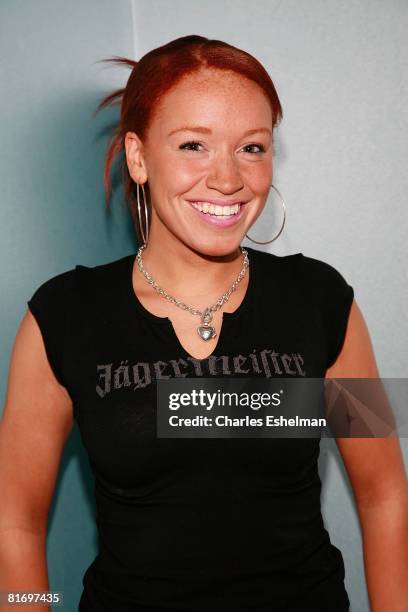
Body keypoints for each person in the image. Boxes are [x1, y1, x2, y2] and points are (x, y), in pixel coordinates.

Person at [0, 34, 407, 612]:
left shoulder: (322, 301)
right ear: (138, 157)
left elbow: (384, 493)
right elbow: (14, 523)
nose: (227, 179)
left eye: (252, 148)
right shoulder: (63, 316)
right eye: (194, 144)